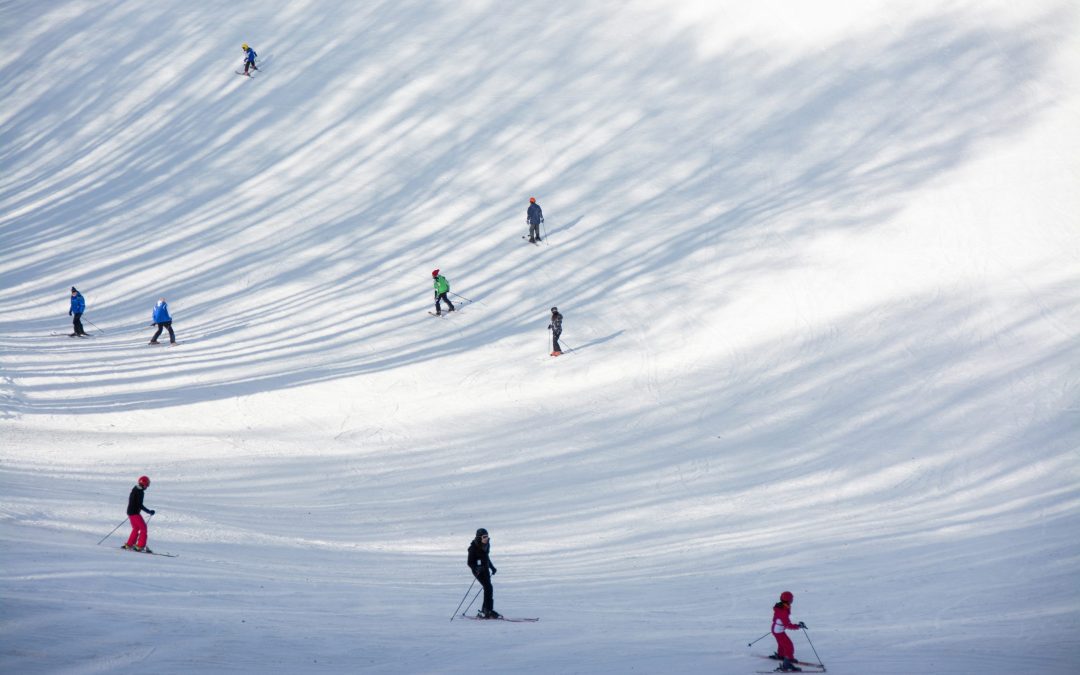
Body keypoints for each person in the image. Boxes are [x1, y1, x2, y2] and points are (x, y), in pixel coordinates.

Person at [467, 528, 500, 619]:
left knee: (489, 588)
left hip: (485, 569)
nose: (486, 538)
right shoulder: (473, 548)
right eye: (484, 536)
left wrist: (492, 567)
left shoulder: (487, 544)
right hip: (478, 571)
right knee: (488, 587)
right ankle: (486, 610)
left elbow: (486, 558)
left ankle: (487, 610)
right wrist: (476, 568)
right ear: (479, 537)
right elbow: (470, 562)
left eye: (487, 536)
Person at [771, 591, 806, 672]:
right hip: (778, 630)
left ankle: (781, 655)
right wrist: (798, 626)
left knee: (782, 643)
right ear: (788, 600)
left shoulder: (783, 606)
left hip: (777, 629)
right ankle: (787, 664)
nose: (792, 600)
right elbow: (787, 625)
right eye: (791, 599)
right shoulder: (783, 611)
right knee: (789, 646)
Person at [123, 476, 156, 553]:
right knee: (143, 528)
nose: (147, 486)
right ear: (143, 484)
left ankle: (129, 544)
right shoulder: (140, 492)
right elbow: (139, 505)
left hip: (130, 512)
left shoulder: (135, 489)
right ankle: (140, 546)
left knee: (136, 528)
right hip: (134, 512)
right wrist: (149, 511)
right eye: (147, 484)